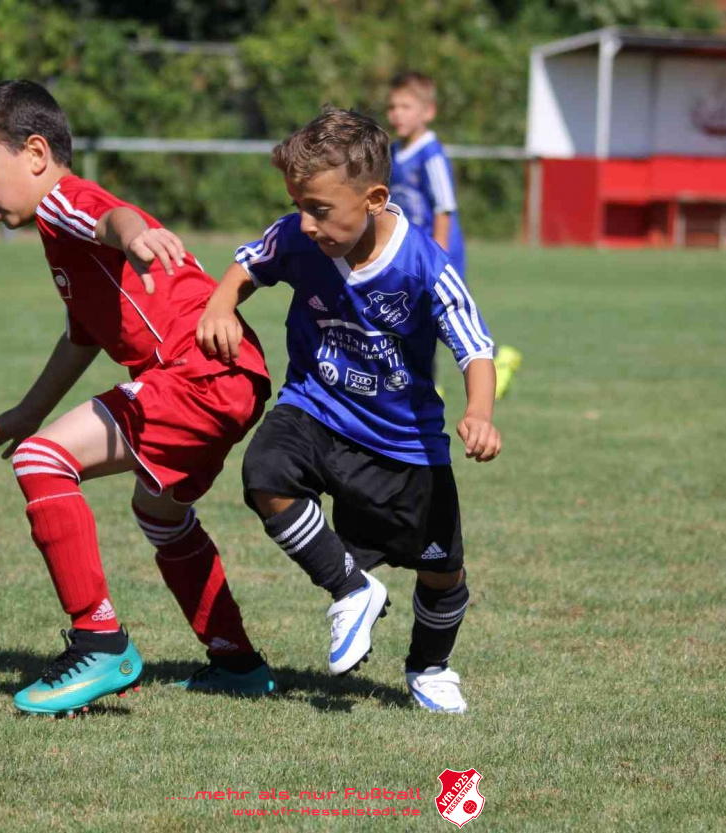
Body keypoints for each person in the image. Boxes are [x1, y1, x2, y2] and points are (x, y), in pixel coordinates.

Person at [0, 79, 275, 717]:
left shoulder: (62, 201)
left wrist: (135, 235)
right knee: (161, 515)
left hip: (195, 374)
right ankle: (238, 663)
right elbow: (83, 337)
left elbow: (112, 217)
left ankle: (100, 643)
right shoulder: (61, 238)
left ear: (35, 154)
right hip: (229, 374)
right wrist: (27, 412)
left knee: (42, 461)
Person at [196, 106, 502, 714]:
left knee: (441, 571)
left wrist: (480, 412)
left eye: (319, 209)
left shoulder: (423, 265)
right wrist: (220, 305)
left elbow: (475, 346)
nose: (305, 223)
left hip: (403, 443)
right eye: (298, 206)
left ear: (374, 198)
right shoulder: (297, 236)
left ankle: (430, 667)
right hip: (314, 408)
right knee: (264, 472)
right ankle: (350, 588)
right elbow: (250, 262)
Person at [387, 71, 522, 400]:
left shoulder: (430, 154)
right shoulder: (393, 151)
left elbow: (444, 208)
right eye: (393, 107)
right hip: (408, 252)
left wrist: (438, 254)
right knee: (412, 318)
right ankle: (426, 384)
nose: (397, 114)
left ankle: (497, 362)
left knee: (446, 316)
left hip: (436, 252)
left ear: (428, 112)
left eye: (406, 107)